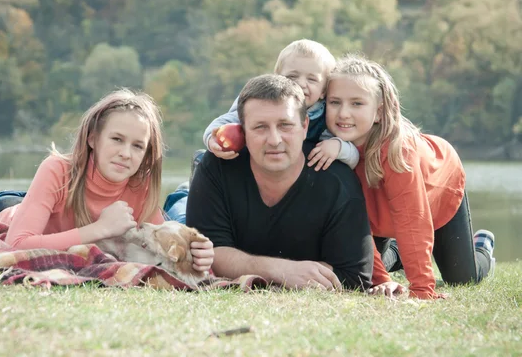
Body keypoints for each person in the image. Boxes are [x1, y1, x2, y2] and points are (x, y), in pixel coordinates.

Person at [0, 89, 214, 273]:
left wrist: (199, 254)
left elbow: (161, 244)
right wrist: (99, 229)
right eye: (116, 139)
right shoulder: (58, 169)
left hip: (43, 213)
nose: (126, 154)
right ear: (92, 139)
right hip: (4, 210)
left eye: (138, 146)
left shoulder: (141, 184)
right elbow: (17, 243)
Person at [309, 53, 495, 299]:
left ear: (378, 112)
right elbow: (353, 227)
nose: (343, 113)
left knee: (462, 278)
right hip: (383, 215)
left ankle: (482, 246)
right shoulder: (329, 148)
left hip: (435, 194)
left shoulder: (397, 151)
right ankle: (398, 251)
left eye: (356, 103)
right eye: (335, 102)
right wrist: (384, 282)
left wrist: (422, 289)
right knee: (361, 273)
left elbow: (412, 219)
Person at [186, 74, 374, 291]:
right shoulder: (218, 166)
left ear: (305, 127)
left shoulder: (339, 183)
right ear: (243, 131)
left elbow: (353, 276)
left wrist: (238, 263)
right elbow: (209, 255)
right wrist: (281, 270)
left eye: (285, 125)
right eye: (260, 127)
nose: (274, 140)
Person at [165, 39, 359, 224]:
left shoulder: (326, 114)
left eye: (312, 79)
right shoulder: (258, 98)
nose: (301, 83)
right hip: (234, 168)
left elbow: (353, 156)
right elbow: (224, 122)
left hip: (278, 180)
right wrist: (212, 139)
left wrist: (338, 146)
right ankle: (183, 195)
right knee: (186, 216)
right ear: (277, 78)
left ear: (324, 90)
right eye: (292, 76)